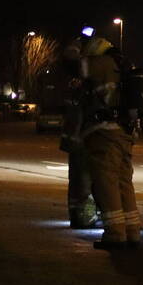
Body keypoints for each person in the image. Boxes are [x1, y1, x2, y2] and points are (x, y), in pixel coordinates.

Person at [80, 36, 141, 249]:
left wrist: (74, 46)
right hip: (125, 132)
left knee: (107, 183)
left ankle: (115, 233)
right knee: (125, 181)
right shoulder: (123, 66)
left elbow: (76, 67)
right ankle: (132, 231)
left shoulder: (101, 63)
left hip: (104, 133)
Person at [59, 35, 98, 228]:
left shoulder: (76, 85)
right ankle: (84, 217)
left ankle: (78, 215)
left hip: (76, 139)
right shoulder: (86, 83)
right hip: (84, 140)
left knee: (77, 181)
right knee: (84, 181)